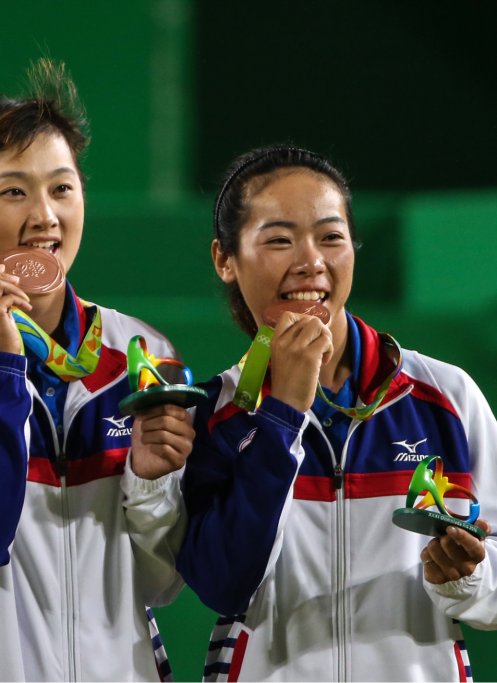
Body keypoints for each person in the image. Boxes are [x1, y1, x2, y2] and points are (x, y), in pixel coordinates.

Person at [0, 59, 192, 683]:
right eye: (13, 190)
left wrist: (152, 486)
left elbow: (161, 584)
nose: (45, 215)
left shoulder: (142, 355)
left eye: (62, 188)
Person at [177, 145, 497, 682]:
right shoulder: (214, 417)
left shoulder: (445, 397)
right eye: (279, 239)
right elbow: (222, 584)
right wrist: (282, 414)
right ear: (224, 260)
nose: (311, 262)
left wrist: (465, 579)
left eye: (331, 237)